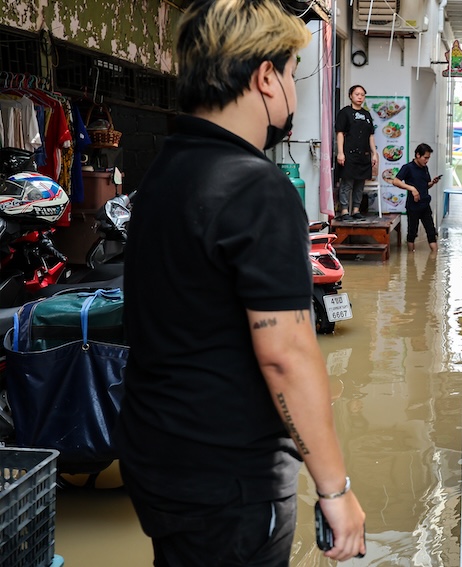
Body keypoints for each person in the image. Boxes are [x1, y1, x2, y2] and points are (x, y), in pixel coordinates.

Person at [115, 1, 366, 564]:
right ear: (265, 78)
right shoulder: (257, 187)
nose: (294, 93)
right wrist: (335, 490)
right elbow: (286, 355)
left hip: (155, 453)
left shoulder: (164, 173)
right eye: (293, 74)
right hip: (229, 473)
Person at [335, 85, 377, 221]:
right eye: (357, 94)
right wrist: (340, 152)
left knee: (360, 183)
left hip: (364, 154)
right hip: (349, 153)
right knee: (347, 183)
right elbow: (340, 133)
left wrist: (374, 153)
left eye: (362, 95)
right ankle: (344, 211)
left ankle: (356, 210)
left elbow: (371, 135)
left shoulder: (367, 114)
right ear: (350, 96)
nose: (360, 97)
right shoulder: (345, 112)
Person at [392, 143, 441, 252]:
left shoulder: (425, 168)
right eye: (425, 158)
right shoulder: (408, 167)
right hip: (413, 205)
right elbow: (395, 181)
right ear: (418, 155)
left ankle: (434, 259)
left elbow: (425, 185)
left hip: (425, 204)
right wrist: (412, 189)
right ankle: (411, 260)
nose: (427, 160)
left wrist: (432, 182)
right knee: (412, 233)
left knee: (431, 232)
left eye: (428, 158)